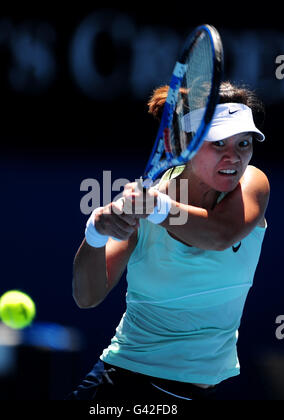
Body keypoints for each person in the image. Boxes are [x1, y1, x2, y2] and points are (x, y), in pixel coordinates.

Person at [67, 81, 270, 401]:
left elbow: (219, 234)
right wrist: (96, 231)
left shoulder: (252, 183)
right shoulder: (149, 202)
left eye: (244, 143)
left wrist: (155, 207)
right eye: (218, 143)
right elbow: (88, 296)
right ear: (186, 143)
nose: (234, 157)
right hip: (124, 385)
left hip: (195, 393)